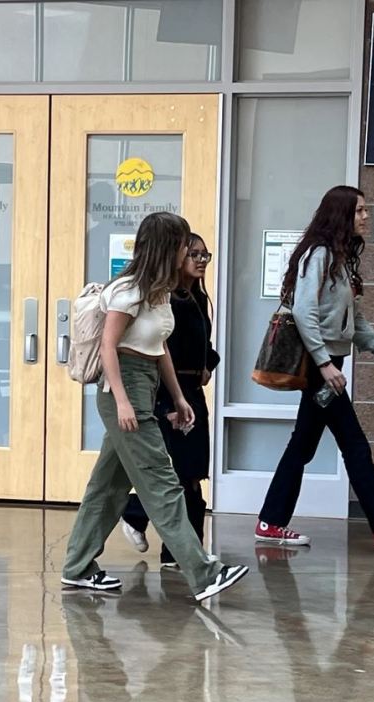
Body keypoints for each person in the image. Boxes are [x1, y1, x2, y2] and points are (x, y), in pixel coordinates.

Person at [61, 212, 248, 603]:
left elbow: (160, 347)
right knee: (162, 482)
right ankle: (204, 573)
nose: (189, 251)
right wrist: (123, 401)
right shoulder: (128, 290)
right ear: (168, 248)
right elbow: (109, 347)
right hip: (123, 388)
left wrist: (179, 397)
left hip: (144, 382)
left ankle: (77, 568)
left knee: (108, 487)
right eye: (184, 244)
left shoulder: (160, 293)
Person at [254, 185, 374, 555]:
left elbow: (355, 320)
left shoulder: (342, 259)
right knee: (355, 445)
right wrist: (323, 363)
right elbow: (304, 312)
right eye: (361, 211)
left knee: (301, 446)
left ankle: (271, 522)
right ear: (341, 215)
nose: (367, 217)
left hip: (329, 362)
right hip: (322, 366)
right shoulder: (317, 255)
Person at [120, 232, 220, 569]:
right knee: (179, 471)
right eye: (194, 254)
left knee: (190, 472)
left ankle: (176, 549)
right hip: (170, 391)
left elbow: (203, 342)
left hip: (193, 390)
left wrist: (209, 364)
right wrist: (172, 396)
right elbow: (162, 348)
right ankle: (139, 515)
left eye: (206, 255)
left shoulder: (197, 299)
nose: (201, 261)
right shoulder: (167, 301)